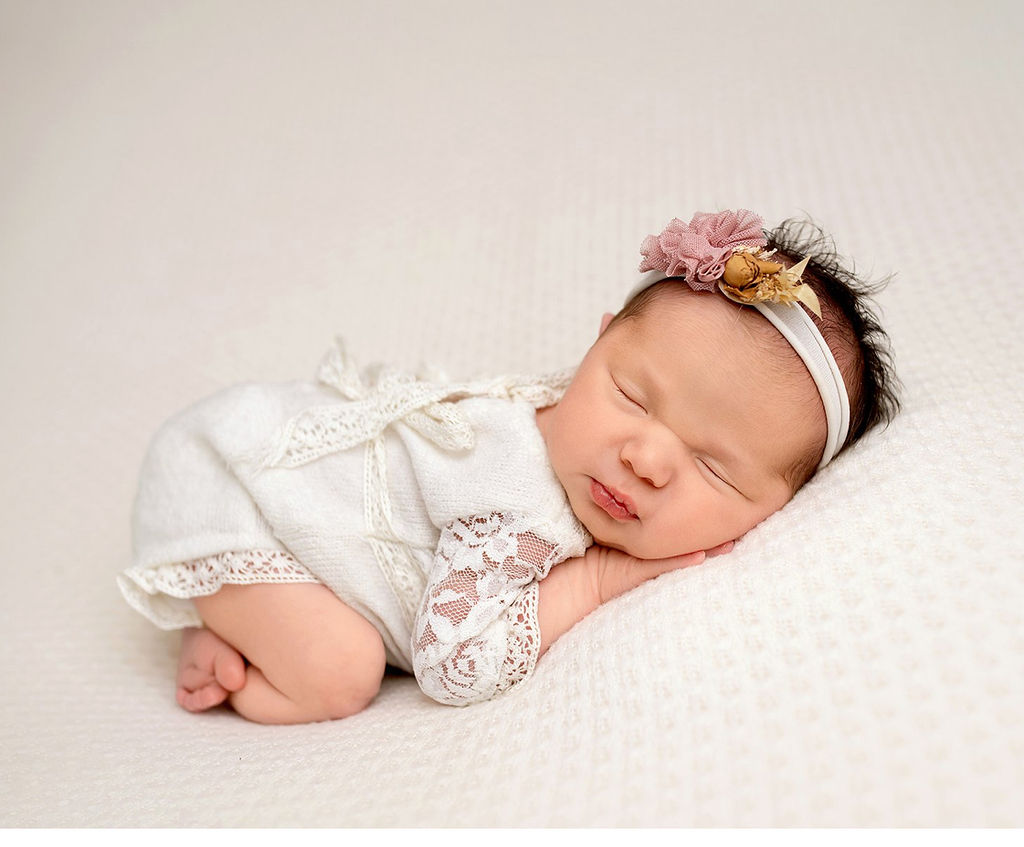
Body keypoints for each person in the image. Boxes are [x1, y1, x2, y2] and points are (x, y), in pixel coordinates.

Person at [118, 209, 899, 724]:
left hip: (265, 480)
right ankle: (229, 635)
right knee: (340, 671)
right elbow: (448, 663)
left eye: (714, 468)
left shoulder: (576, 444)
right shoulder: (517, 505)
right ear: (594, 346)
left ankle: (244, 614)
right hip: (232, 482)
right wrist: (592, 582)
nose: (648, 458)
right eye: (631, 394)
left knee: (337, 637)